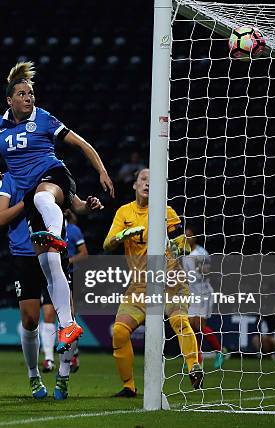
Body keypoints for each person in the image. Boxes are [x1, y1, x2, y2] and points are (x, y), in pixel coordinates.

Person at [0, 61, 114, 353]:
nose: (28, 98)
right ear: (9, 100)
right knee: (49, 263)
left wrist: (101, 170)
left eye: (31, 94)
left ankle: (53, 233)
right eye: (22, 94)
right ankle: (68, 324)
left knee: (40, 199)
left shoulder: (44, 119)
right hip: (36, 198)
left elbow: (82, 144)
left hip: (55, 178)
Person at [0, 171, 102, 399]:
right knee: (30, 319)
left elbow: (77, 205)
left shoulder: (53, 171)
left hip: (55, 251)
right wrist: (27, 201)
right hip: (24, 255)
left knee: (66, 316)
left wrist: (88, 206)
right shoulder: (10, 179)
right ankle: (34, 375)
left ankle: (63, 376)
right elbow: (0, 218)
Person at [103, 168, 203, 397]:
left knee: (179, 320)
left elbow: (184, 247)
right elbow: (107, 244)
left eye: (152, 180)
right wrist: (123, 236)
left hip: (171, 280)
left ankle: (193, 367)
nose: (147, 183)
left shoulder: (166, 211)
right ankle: (129, 386)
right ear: (135, 185)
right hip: (140, 286)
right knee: (119, 331)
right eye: (143, 179)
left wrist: (174, 245)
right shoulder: (124, 212)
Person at [183, 227, 226, 369]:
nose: (187, 239)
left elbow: (208, 272)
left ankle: (220, 352)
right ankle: (197, 358)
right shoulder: (184, 253)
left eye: (189, 236)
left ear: (195, 237)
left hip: (204, 294)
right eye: (185, 236)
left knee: (199, 326)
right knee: (190, 326)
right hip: (193, 294)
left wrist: (200, 268)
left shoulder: (201, 253)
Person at [64, 209, 88, 373]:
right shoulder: (50, 227)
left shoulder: (72, 230)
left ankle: (73, 354)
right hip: (55, 276)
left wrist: (68, 260)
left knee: (70, 315)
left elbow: (84, 254)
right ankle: (68, 355)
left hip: (72, 275)